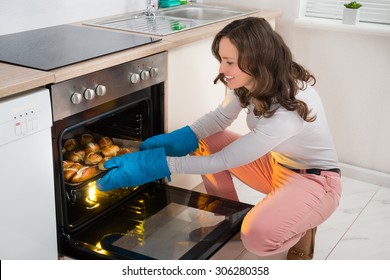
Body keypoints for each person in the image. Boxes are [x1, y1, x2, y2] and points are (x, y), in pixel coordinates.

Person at [97, 17, 342, 260]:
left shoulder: (289, 111)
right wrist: (186, 136)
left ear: (256, 61)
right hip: (276, 166)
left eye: (229, 62)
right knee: (204, 141)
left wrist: (159, 164)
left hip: (314, 180)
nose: (222, 70)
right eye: (221, 60)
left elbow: (222, 161)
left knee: (257, 237)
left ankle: (300, 224)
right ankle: (228, 219)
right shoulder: (252, 80)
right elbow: (220, 118)